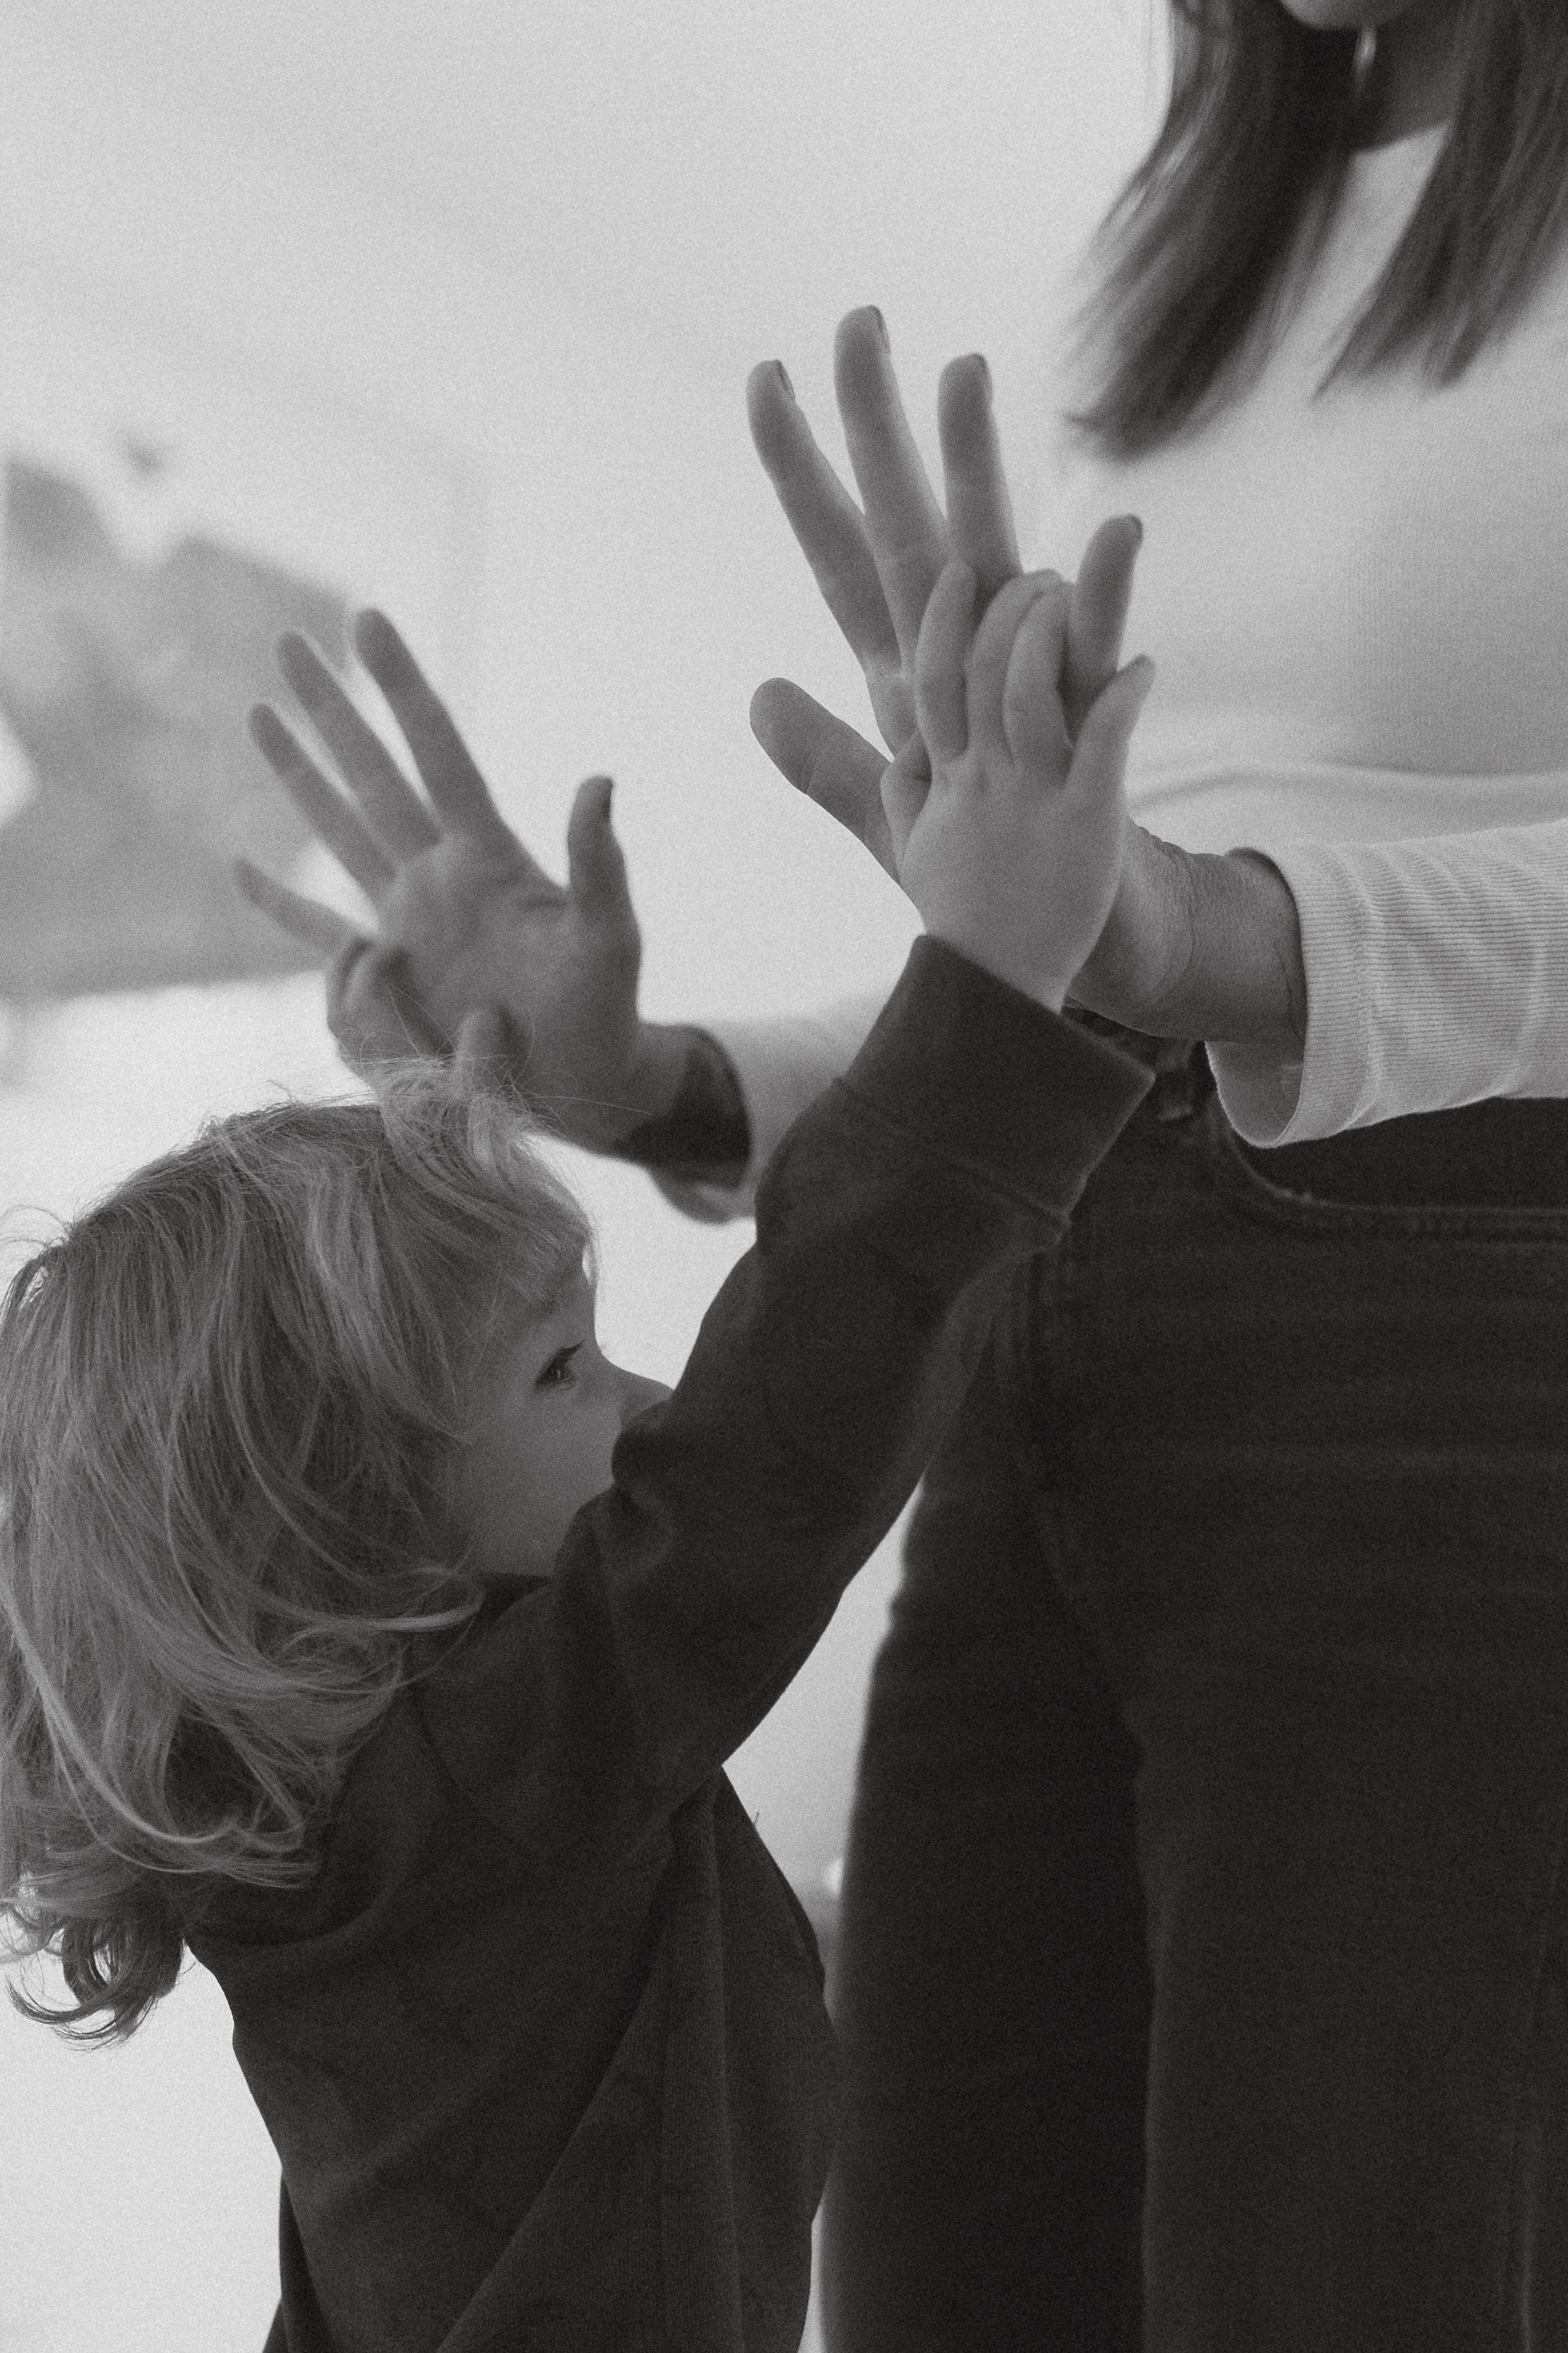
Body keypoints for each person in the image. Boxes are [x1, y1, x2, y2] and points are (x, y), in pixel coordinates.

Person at [237, 2, 1568, 2343]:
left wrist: (1214, 935)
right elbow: (1096, 942)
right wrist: (660, 1079)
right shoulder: (1199, 245)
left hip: (1455, 1338)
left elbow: (1196, 928)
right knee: (948, 2277)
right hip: (1047, 1317)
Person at [0, 571, 1157, 2351]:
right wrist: (992, 981)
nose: (637, 1400)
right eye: (559, 1365)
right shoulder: (500, 1769)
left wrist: (427, 1154)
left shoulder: (310, 1831)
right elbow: (788, 1421)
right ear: (348, 1530)